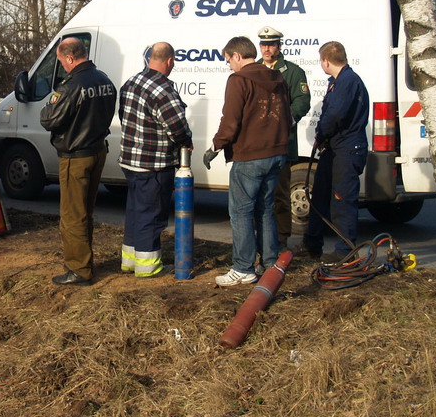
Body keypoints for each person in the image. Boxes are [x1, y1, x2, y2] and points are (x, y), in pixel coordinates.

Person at [203, 36, 290, 286]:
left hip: (250, 156)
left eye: (228, 60)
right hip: (275, 153)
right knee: (265, 209)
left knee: (241, 213)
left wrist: (215, 146)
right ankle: (270, 263)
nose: (228, 65)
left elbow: (230, 120)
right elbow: (286, 116)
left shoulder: (239, 80)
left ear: (238, 56)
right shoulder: (278, 78)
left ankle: (243, 268)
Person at [39, 37, 117, 285]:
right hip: (97, 150)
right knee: (86, 211)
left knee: (72, 215)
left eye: (62, 61)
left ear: (70, 58)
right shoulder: (104, 79)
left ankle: (79, 270)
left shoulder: (71, 86)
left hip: (76, 156)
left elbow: (49, 119)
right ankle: (85, 261)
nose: (62, 66)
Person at [118, 42, 193, 278]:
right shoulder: (163, 89)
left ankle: (129, 261)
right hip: (154, 163)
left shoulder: (130, 82)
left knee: (135, 212)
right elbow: (177, 127)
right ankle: (148, 267)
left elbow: (123, 116)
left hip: (130, 160)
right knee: (151, 215)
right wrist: (185, 142)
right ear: (169, 61)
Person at [303, 41, 370, 262]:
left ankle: (345, 253)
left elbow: (335, 115)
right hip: (334, 149)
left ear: (326, 61)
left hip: (347, 149)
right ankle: (312, 245)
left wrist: (321, 134)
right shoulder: (338, 82)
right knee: (320, 196)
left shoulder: (348, 82)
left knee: (342, 201)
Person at [256, 26, 311, 249]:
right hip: (258, 144)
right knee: (258, 195)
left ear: (279, 46)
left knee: (279, 194)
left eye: (271, 44)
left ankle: (281, 238)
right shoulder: (254, 69)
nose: (267, 48)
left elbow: (302, 101)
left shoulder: (293, 72)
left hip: (281, 143)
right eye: (263, 44)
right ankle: (260, 238)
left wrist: (286, 119)